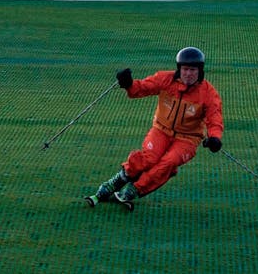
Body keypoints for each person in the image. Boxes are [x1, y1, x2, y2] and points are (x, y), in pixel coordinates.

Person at [87, 46, 224, 208]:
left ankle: (134, 189)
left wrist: (215, 137)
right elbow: (144, 87)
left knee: (168, 162)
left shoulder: (208, 93)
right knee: (148, 158)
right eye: (185, 69)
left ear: (200, 71)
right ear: (179, 69)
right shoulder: (166, 79)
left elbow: (214, 117)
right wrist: (129, 84)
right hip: (161, 130)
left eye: (193, 70)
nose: (188, 74)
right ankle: (119, 179)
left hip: (188, 138)